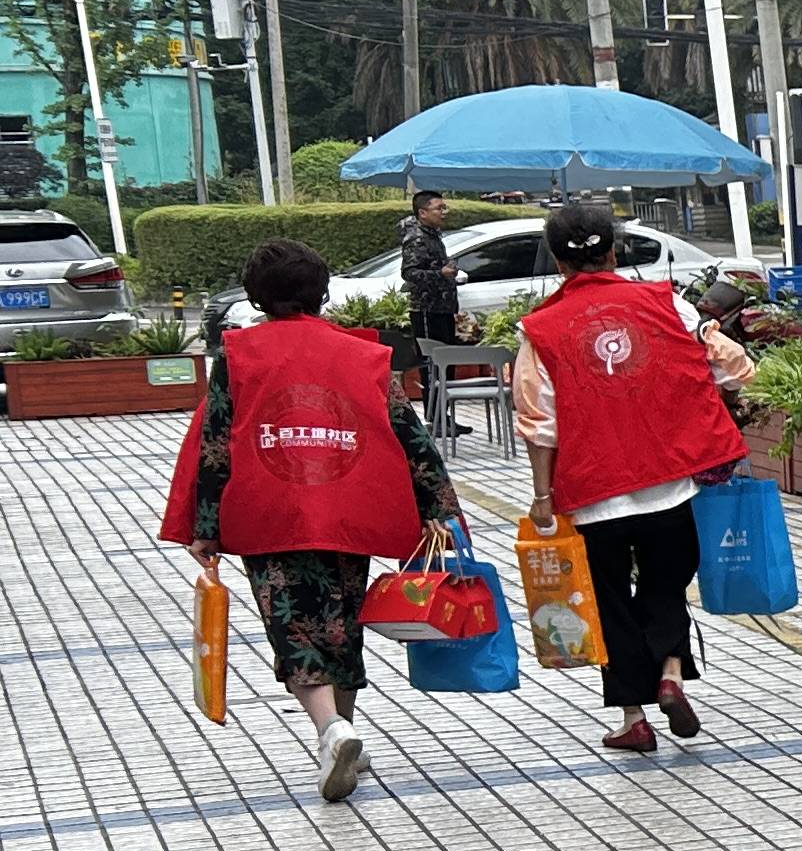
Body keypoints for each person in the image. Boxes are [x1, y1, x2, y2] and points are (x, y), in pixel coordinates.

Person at [165, 241, 457, 804]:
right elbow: (409, 434)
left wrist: (204, 525)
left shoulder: (239, 356)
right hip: (350, 508)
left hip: (268, 513)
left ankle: (331, 730)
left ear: (256, 297)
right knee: (340, 625)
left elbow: (216, 443)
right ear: (322, 294)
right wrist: (437, 509)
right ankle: (342, 734)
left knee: (293, 627)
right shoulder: (363, 355)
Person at [513, 197, 755, 756]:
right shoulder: (667, 304)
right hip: (669, 482)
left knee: (612, 601)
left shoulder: (539, 330)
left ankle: (633, 718)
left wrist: (543, 496)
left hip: (592, 492)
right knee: (664, 585)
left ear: (558, 261)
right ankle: (670, 672)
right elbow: (735, 367)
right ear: (614, 253)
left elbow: (539, 423)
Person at [397, 189, 464, 351]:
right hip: (427, 310)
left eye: (444, 207)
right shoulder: (416, 238)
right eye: (439, 208)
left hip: (443, 308)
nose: (444, 212)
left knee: (446, 357)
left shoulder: (433, 235)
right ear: (423, 213)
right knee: (432, 358)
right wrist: (440, 273)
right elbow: (409, 273)